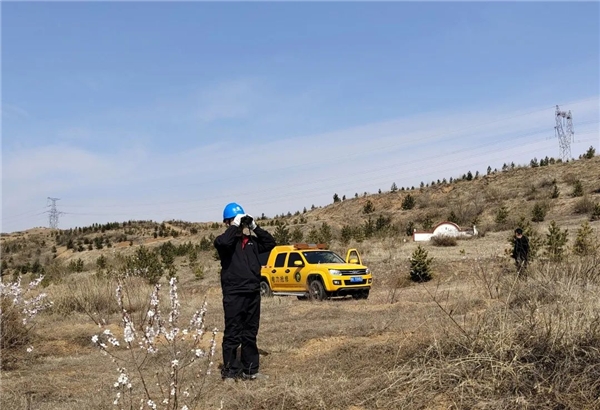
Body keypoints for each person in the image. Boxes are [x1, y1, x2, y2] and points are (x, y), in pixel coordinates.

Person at [213, 202, 276, 382]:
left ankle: (250, 370)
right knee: (233, 333)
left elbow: (270, 243)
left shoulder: (252, 242)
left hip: (252, 292)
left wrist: (254, 226)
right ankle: (230, 372)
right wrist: (234, 225)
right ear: (228, 222)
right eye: (235, 220)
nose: (240, 224)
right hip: (234, 294)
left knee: (250, 332)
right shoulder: (224, 242)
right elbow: (223, 242)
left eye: (240, 220)